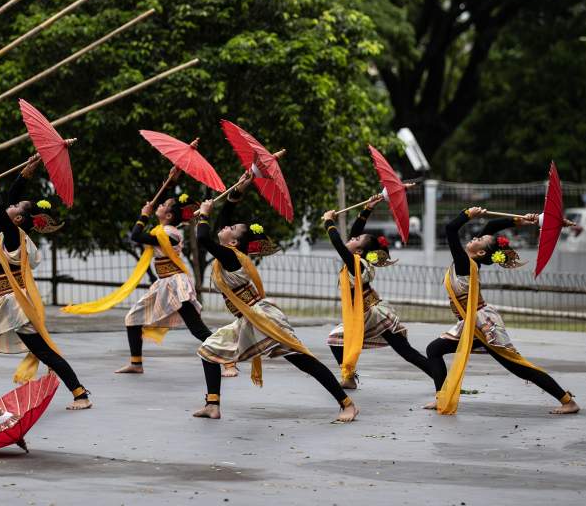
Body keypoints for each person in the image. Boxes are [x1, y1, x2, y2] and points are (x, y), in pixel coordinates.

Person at [192, 172, 358, 422]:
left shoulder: (230, 257)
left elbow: (204, 236)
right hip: (247, 320)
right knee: (208, 350)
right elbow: (223, 221)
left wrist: (205, 213)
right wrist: (239, 190)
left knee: (303, 360)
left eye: (231, 228)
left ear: (234, 242)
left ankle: (347, 405)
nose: (225, 226)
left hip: (262, 318)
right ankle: (212, 405)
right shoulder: (229, 253)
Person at [0, 157, 91, 410]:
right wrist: (27, 171)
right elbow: (12, 198)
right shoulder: (12, 231)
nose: (12, 205)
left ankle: (81, 394)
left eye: (16, 207)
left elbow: (0, 208)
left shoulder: (13, 236)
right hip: (2, 300)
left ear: (19, 219)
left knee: (43, 351)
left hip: (15, 303)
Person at [424, 207, 579, 414]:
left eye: (479, 239)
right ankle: (442, 398)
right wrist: (524, 220)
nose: (475, 237)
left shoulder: (464, 263)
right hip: (471, 323)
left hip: (483, 324)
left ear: (480, 253)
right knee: (434, 350)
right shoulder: (470, 259)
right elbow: (491, 226)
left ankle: (568, 401)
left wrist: (468, 214)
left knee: (517, 366)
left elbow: (451, 229)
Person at [321, 198, 429, 388]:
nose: (351, 238)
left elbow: (339, 244)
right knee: (336, 339)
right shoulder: (356, 260)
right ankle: (349, 378)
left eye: (355, 240)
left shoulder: (356, 265)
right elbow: (355, 233)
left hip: (371, 314)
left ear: (360, 250)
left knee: (406, 352)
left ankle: (442, 378)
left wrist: (329, 222)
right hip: (365, 313)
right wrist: (367, 209)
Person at [115, 167, 213, 373]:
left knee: (197, 329)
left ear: (168, 215)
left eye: (163, 205)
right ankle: (136, 363)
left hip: (176, 285)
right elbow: (164, 213)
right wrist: (170, 181)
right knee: (133, 318)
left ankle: (227, 359)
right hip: (163, 283)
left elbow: (136, 236)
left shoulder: (169, 233)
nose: (158, 205)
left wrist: (143, 215)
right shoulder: (164, 229)